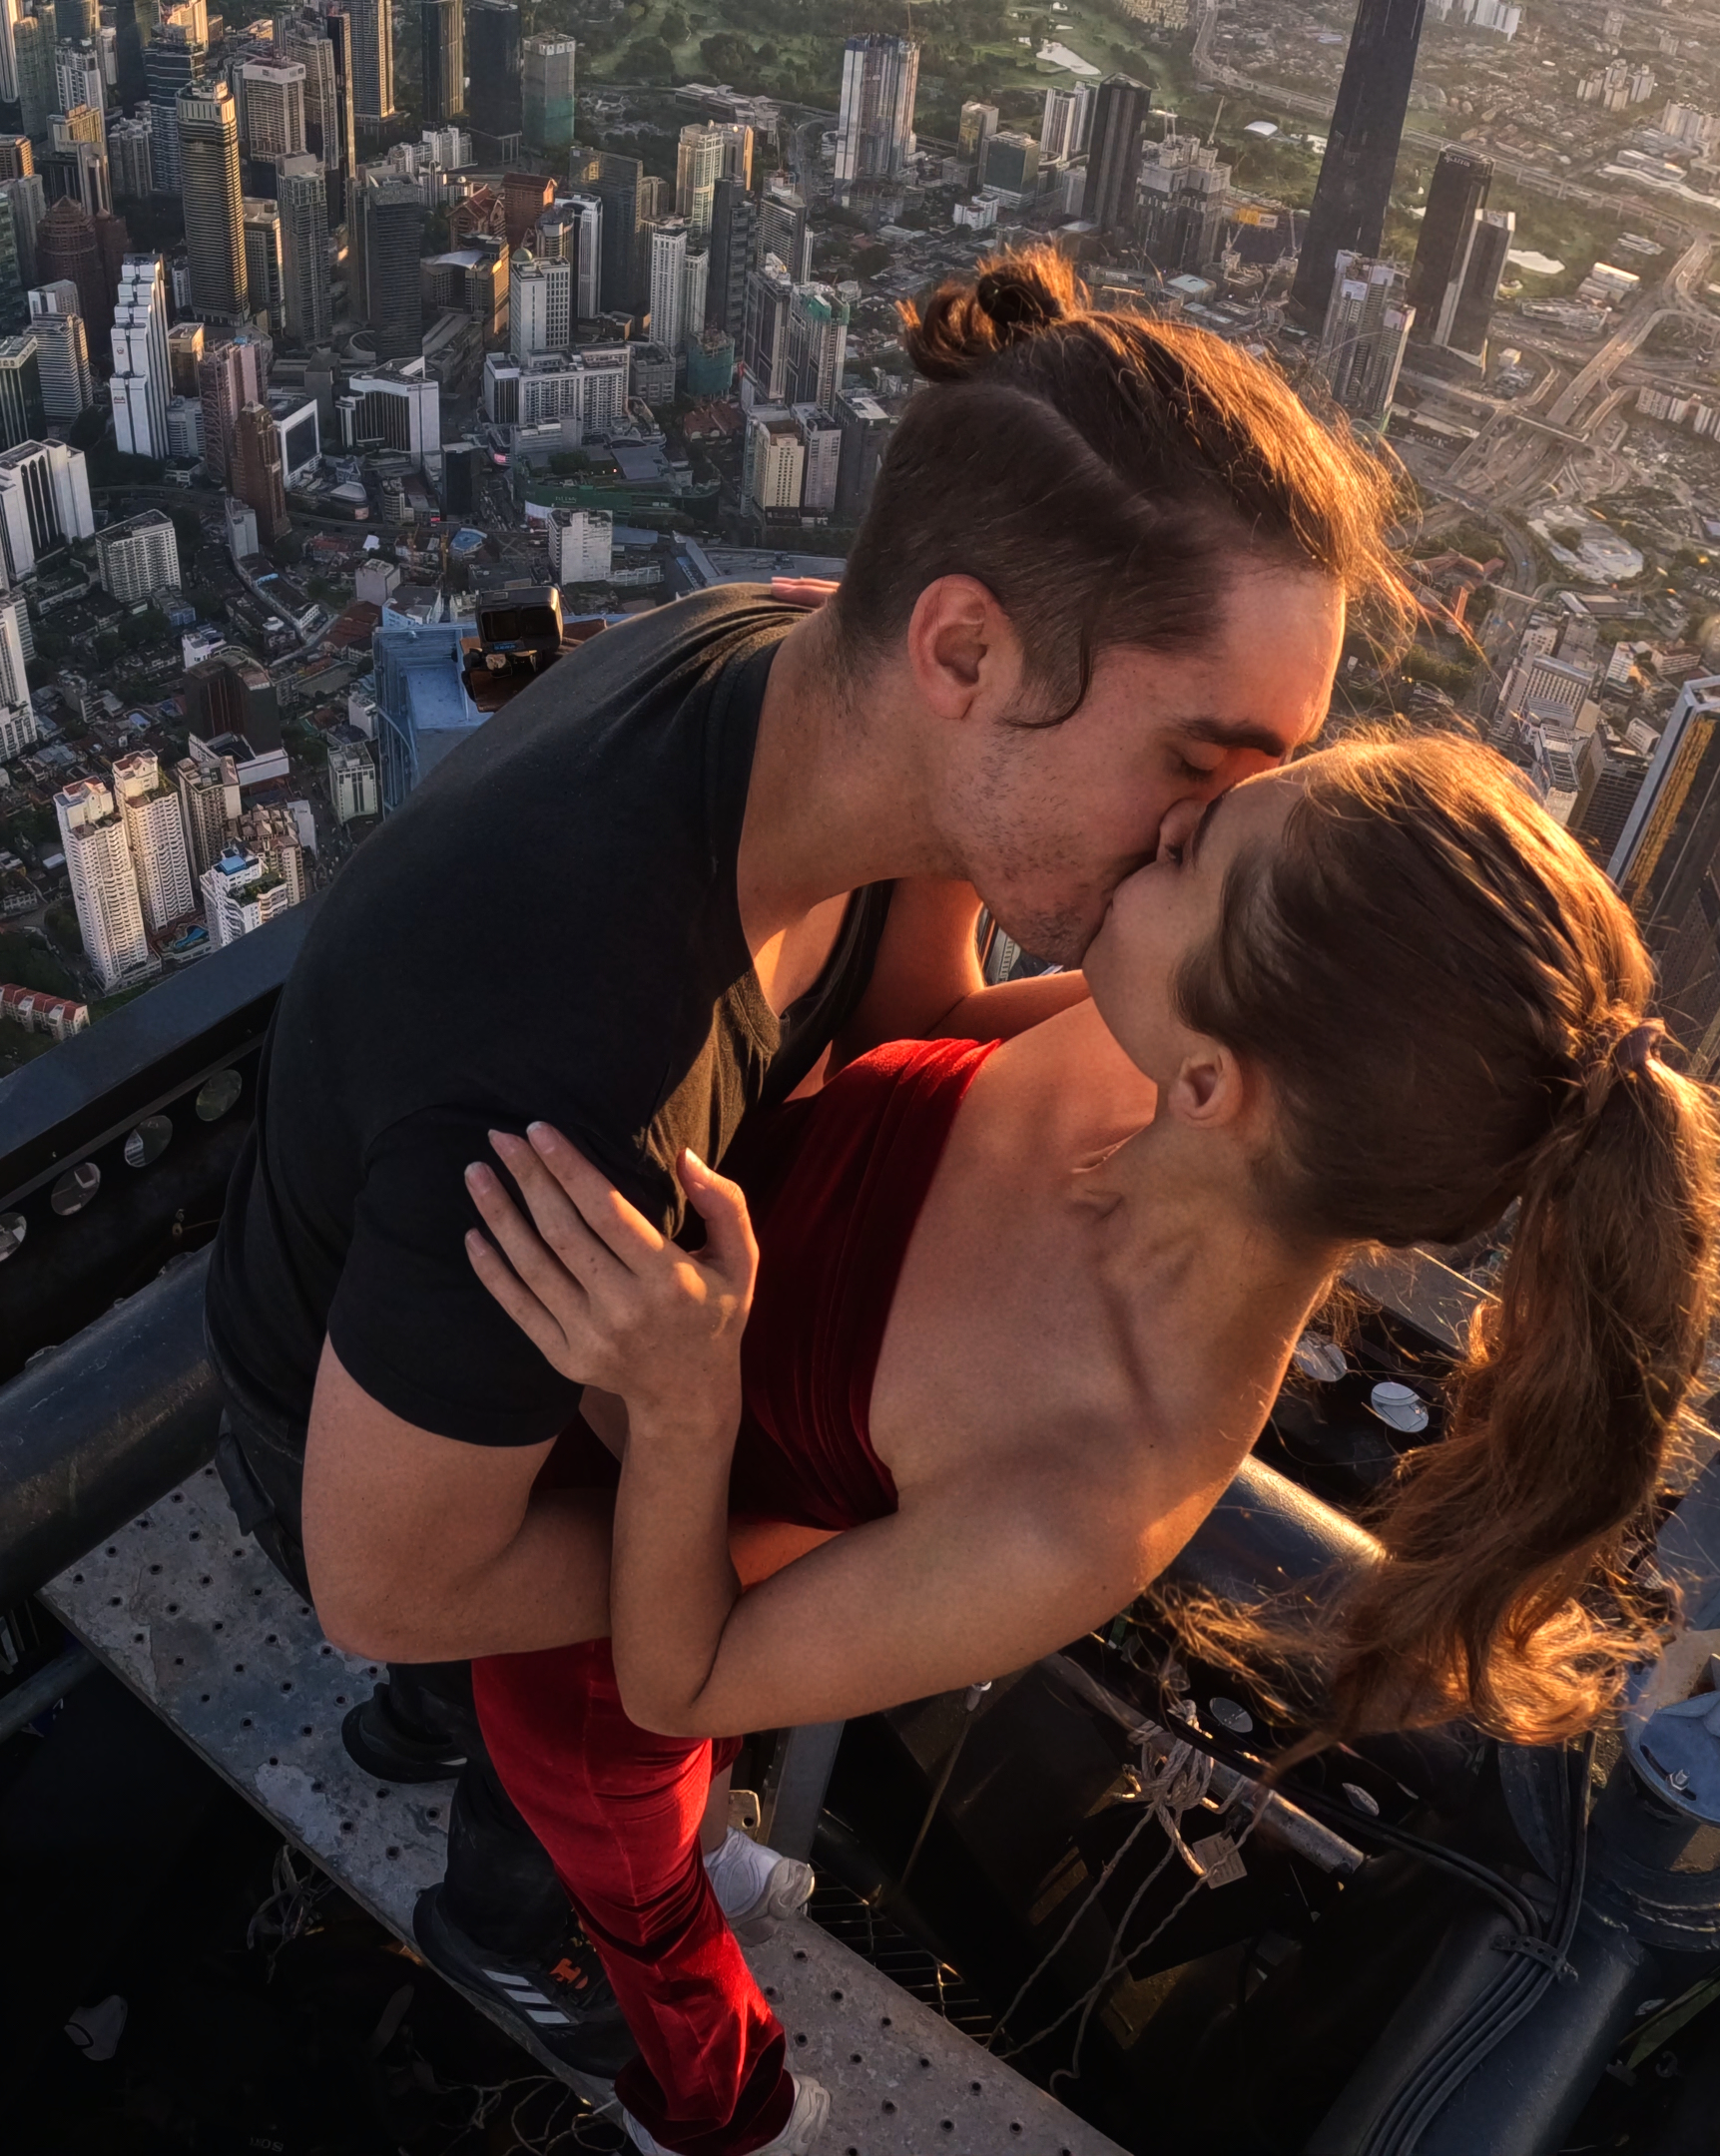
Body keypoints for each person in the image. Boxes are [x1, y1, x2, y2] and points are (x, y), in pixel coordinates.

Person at [200, 246, 1409, 2067]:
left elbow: (896, 1022)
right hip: (374, 1466)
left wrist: (1235, 1106)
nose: (1204, 843)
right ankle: (518, 1948)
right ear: (966, 650)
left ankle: (424, 1737)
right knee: (595, 1688)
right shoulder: (569, 1064)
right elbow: (390, 1576)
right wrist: (741, 1482)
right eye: (1198, 767)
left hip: (517, 1351)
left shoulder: (844, 706)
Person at [459, 736, 1720, 2156]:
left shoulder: (1088, 1486)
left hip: (602, 1630)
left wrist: (687, 1399)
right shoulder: (1140, 1044)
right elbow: (922, 1027)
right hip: (644, 1439)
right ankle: (700, 1843)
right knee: (663, 1817)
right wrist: (947, 830)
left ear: (1216, 1088)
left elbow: (681, 1674)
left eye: (1194, 852)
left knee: (639, 1902)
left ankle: (723, 2109)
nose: (1172, 819)